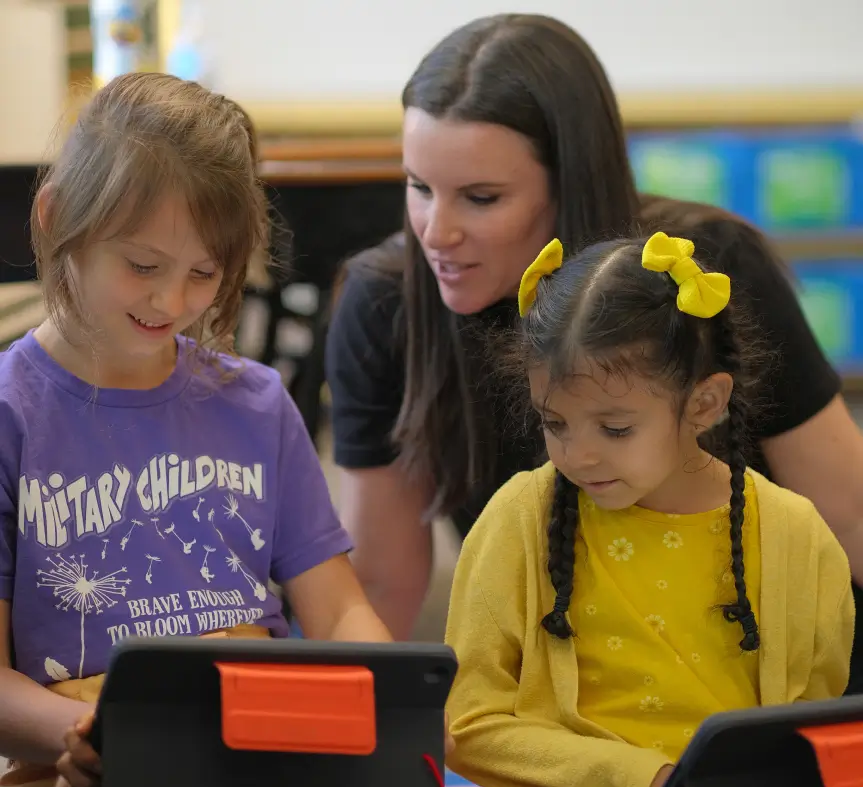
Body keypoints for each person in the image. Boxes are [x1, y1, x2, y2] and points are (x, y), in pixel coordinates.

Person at [325, 12, 863, 664]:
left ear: (569, 182)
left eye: (481, 197)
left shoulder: (700, 268)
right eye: (418, 187)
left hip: (758, 660)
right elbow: (380, 580)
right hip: (574, 680)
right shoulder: (384, 301)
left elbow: (848, 513)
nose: (435, 232)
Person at [0, 73, 395, 787]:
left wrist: (391, 703)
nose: (170, 301)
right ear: (56, 218)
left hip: (258, 756)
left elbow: (336, 608)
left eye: (203, 274)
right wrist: (99, 735)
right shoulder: (10, 414)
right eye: (143, 265)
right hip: (80, 764)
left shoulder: (257, 402)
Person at [443, 232, 854, 787]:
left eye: (615, 429)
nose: (578, 455)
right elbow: (469, 725)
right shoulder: (521, 518)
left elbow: (809, 733)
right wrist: (644, 780)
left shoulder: (795, 537)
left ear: (704, 404)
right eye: (554, 423)